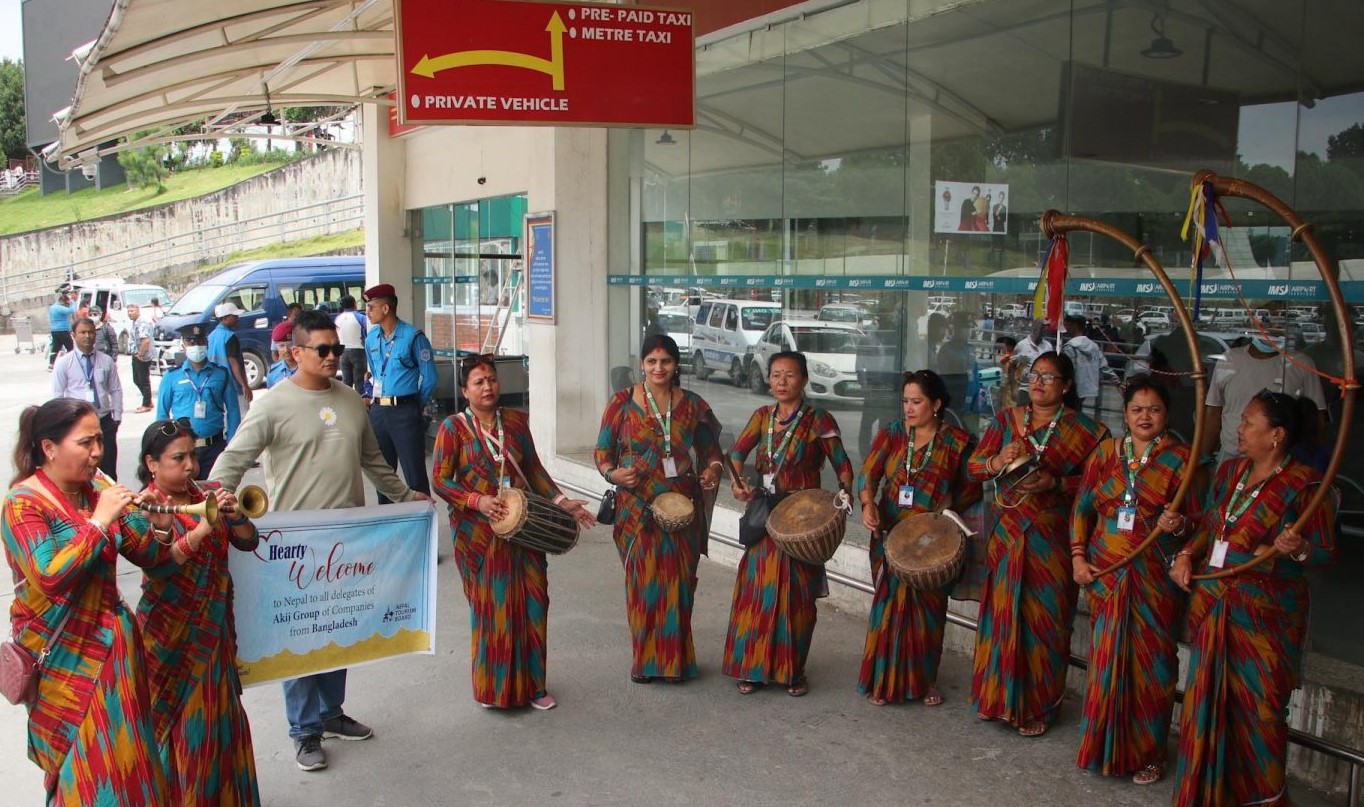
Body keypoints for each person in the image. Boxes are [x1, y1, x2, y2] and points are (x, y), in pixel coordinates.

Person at [209, 309, 430, 772]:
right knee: (301, 632)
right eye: (323, 350)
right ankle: (304, 730)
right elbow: (233, 460)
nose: (333, 357)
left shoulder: (351, 399)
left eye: (337, 349)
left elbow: (373, 462)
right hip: (295, 543)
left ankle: (331, 713)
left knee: (340, 628)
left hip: (348, 540)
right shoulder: (271, 404)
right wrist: (212, 499)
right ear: (296, 352)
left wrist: (406, 495)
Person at [2, 398, 174, 804]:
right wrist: (99, 522)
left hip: (116, 651)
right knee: (84, 765)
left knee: (129, 759)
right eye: (85, 443)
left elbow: (151, 558)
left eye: (99, 440)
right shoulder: (23, 503)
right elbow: (50, 577)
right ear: (49, 448)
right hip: (63, 658)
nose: (97, 452)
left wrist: (161, 529)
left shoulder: (98, 489)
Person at [1169, 391, 1336, 806]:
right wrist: (1187, 552)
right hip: (1217, 603)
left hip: (1266, 617)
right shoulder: (1229, 472)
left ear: (1276, 435)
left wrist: (1296, 548)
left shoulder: (1307, 486)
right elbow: (1211, 523)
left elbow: (1324, 553)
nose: (1238, 429)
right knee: (1206, 700)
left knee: (1260, 711)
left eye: (1247, 422)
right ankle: (1207, 792)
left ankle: (1261, 797)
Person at [432, 355, 595, 710]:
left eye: (491, 379)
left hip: (525, 531)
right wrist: (477, 501)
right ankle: (494, 689)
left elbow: (534, 470)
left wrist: (561, 501)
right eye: (478, 381)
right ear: (465, 390)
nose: (487, 386)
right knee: (494, 608)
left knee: (534, 603)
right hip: (479, 536)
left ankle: (535, 686)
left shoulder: (517, 423)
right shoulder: (453, 429)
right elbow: (441, 481)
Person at [967, 351, 1109, 737]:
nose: (1040, 382)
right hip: (1007, 532)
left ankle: (1039, 706)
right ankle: (994, 697)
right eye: (1035, 375)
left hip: (1053, 539)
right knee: (1001, 617)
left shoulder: (1090, 433)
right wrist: (998, 460)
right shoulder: (1006, 420)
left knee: (1045, 622)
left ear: (1066, 386)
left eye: (1049, 377)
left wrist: (1057, 484)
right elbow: (974, 467)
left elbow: (1102, 488)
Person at [1070, 377, 1199, 786]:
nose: (1145, 417)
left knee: (1153, 668)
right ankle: (1100, 746)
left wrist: (1179, 525)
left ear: (1167, 414)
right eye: (1137, 409)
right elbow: (1082, 508)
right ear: (1124, 414)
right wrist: (1077, 556)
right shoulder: (1105, 453)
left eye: (1154, 409)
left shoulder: (1182, 460)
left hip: (1153, 580)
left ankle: (1150, 753)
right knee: (1106, 663)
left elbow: (1201, 525)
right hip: (1105, 574)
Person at [135, 419, 262, 805]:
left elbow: (248, 542)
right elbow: (159, 565)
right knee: (181, 727)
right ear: (152, 463)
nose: (190, 465)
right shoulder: (143, 506)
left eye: (192, 455)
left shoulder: (208, 492)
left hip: (215, 628)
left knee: (220, 719)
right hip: (170, 636)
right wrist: (204, 527)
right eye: (178, 458)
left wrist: (234, 514)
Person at [723, 351, 854, 697]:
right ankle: (750, 667)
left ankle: (791, 669)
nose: (782, 382)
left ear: (804, 381)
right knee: (757, 591)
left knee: (796, 594)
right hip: (765, 512)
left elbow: (842, 463)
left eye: (790, 375)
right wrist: (738, 482)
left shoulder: (818, 419)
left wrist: (844, 492)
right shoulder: (761, 417)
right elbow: (736, 454)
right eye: (776, 375)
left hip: (801, 516)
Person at [594, 333, 723, 684]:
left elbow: (711, 452)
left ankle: (676, 662)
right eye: (652, 361)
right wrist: (612, 474)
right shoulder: (621, 403)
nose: (658, 367)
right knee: (643, 586)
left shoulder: (693, 405)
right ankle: (645, 662)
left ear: (675, 364)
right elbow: (602, 452)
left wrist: (712, 470)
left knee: (680, 585)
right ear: (642, 365)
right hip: (635, 507)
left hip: (681, 506)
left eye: (665, 361)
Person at [857, 370, 980, 706]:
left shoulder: (957, 442)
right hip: (890, 531)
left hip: (932, 540)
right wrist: (869, 505)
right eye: (905, 401)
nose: (909, 408)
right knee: (887, 609)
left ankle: (925, 681)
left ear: (936, 404)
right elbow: (868, 476)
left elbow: (971, 490)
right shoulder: (893, 434)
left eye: (917, 402)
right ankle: (882, 680)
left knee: (928, 613)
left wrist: (944, 519)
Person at [1198, 336, 1327, 467]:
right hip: (1231, 456)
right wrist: (1201, 461)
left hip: (1280, 461)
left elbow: (1316, 421)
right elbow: (1213, 415)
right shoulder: (1229, 360)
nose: (1241, 429)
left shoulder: (1301, 363)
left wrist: (1312, 463)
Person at [362, 284, 437, 502]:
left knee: (414, 473)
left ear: (385, 309)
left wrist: (414, 404)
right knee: (383, 476)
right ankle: (388, 525)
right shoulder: (371, 338)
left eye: (370, 307)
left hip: (404, 411)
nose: (367, 312)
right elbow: (375, 373)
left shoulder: (413, 337)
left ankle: (421, 526)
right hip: (378, 412)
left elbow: (430, 378)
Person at [157, 324, 240, 478]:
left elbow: (233, 410)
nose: (196, 346)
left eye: (200, 341)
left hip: (215, 447)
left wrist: (231, 443)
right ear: (183, 346)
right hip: (183, 450)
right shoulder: (171, 377)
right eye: (191, 342)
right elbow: (162, 414)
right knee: (186, 496)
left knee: (216, 495)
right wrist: (167, 445)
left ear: (207, 343)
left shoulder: (221, 374)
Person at [52, 318, 123, 479]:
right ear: (73, 335)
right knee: (82, 468)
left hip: (104, 421)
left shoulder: (106, 360)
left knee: (108, 470)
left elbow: (115, 390)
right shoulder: (64, 363)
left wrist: (117, 417)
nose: (87, 336)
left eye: (91, 332)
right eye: (82, 332)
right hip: (77, 423)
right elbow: (58, 396)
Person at [1061, 313, 1117, 410]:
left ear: (1075, 326)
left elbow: (1067, 370)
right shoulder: (1093, 346)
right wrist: (1117, 381)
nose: (1066, 327)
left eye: (1068, 324)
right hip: (1085, 390)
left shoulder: (1070, 347)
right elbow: (1104, 366)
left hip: (1071, 389)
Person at [209, 302, 253, 413]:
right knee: (241, 416)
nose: (237, 319)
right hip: (232, 383)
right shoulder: (230, 337)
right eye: (235, 316)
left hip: (215, 382)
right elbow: (234, 363)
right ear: (225, 318)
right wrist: (244, 385)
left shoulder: (212, 335)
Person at [335, 295, 368, 394]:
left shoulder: (338, 319)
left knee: (346, 382)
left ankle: (346, 402)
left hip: (343, 352)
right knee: (359, 382)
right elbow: (368, 332)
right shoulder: (361, 317)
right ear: (354, 304)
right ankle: (360, 403)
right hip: (359, 351)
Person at [128, 303, 156, 413]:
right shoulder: (135, 322)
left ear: (138, 311)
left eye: (132, 311)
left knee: (143, 380)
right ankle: (148, 401)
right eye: (129, 311)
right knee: (136, 379)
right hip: (136, 354)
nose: (130, 313)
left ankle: (146, 404)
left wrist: (140, 354)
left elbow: (146, 340)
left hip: (143, 356)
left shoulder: (142, 322)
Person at [47, 291, 77, 369]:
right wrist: (73, 302)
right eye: (66, 303)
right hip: (62, 330)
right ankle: (71, 363)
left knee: (55, 348)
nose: (67, 305)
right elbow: (71, 310)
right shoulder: (59, 308)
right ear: (63, 301)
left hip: (54, 330)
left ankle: (51, 364)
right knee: (70, 347)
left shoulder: (52, 307)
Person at [994, 335, 1022, 410]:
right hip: (1004, 390)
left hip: (1011, 392)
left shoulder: (1015, 360)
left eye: (1005, 345)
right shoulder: (1006, 359)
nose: (1004, 348)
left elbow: (1013, 377)